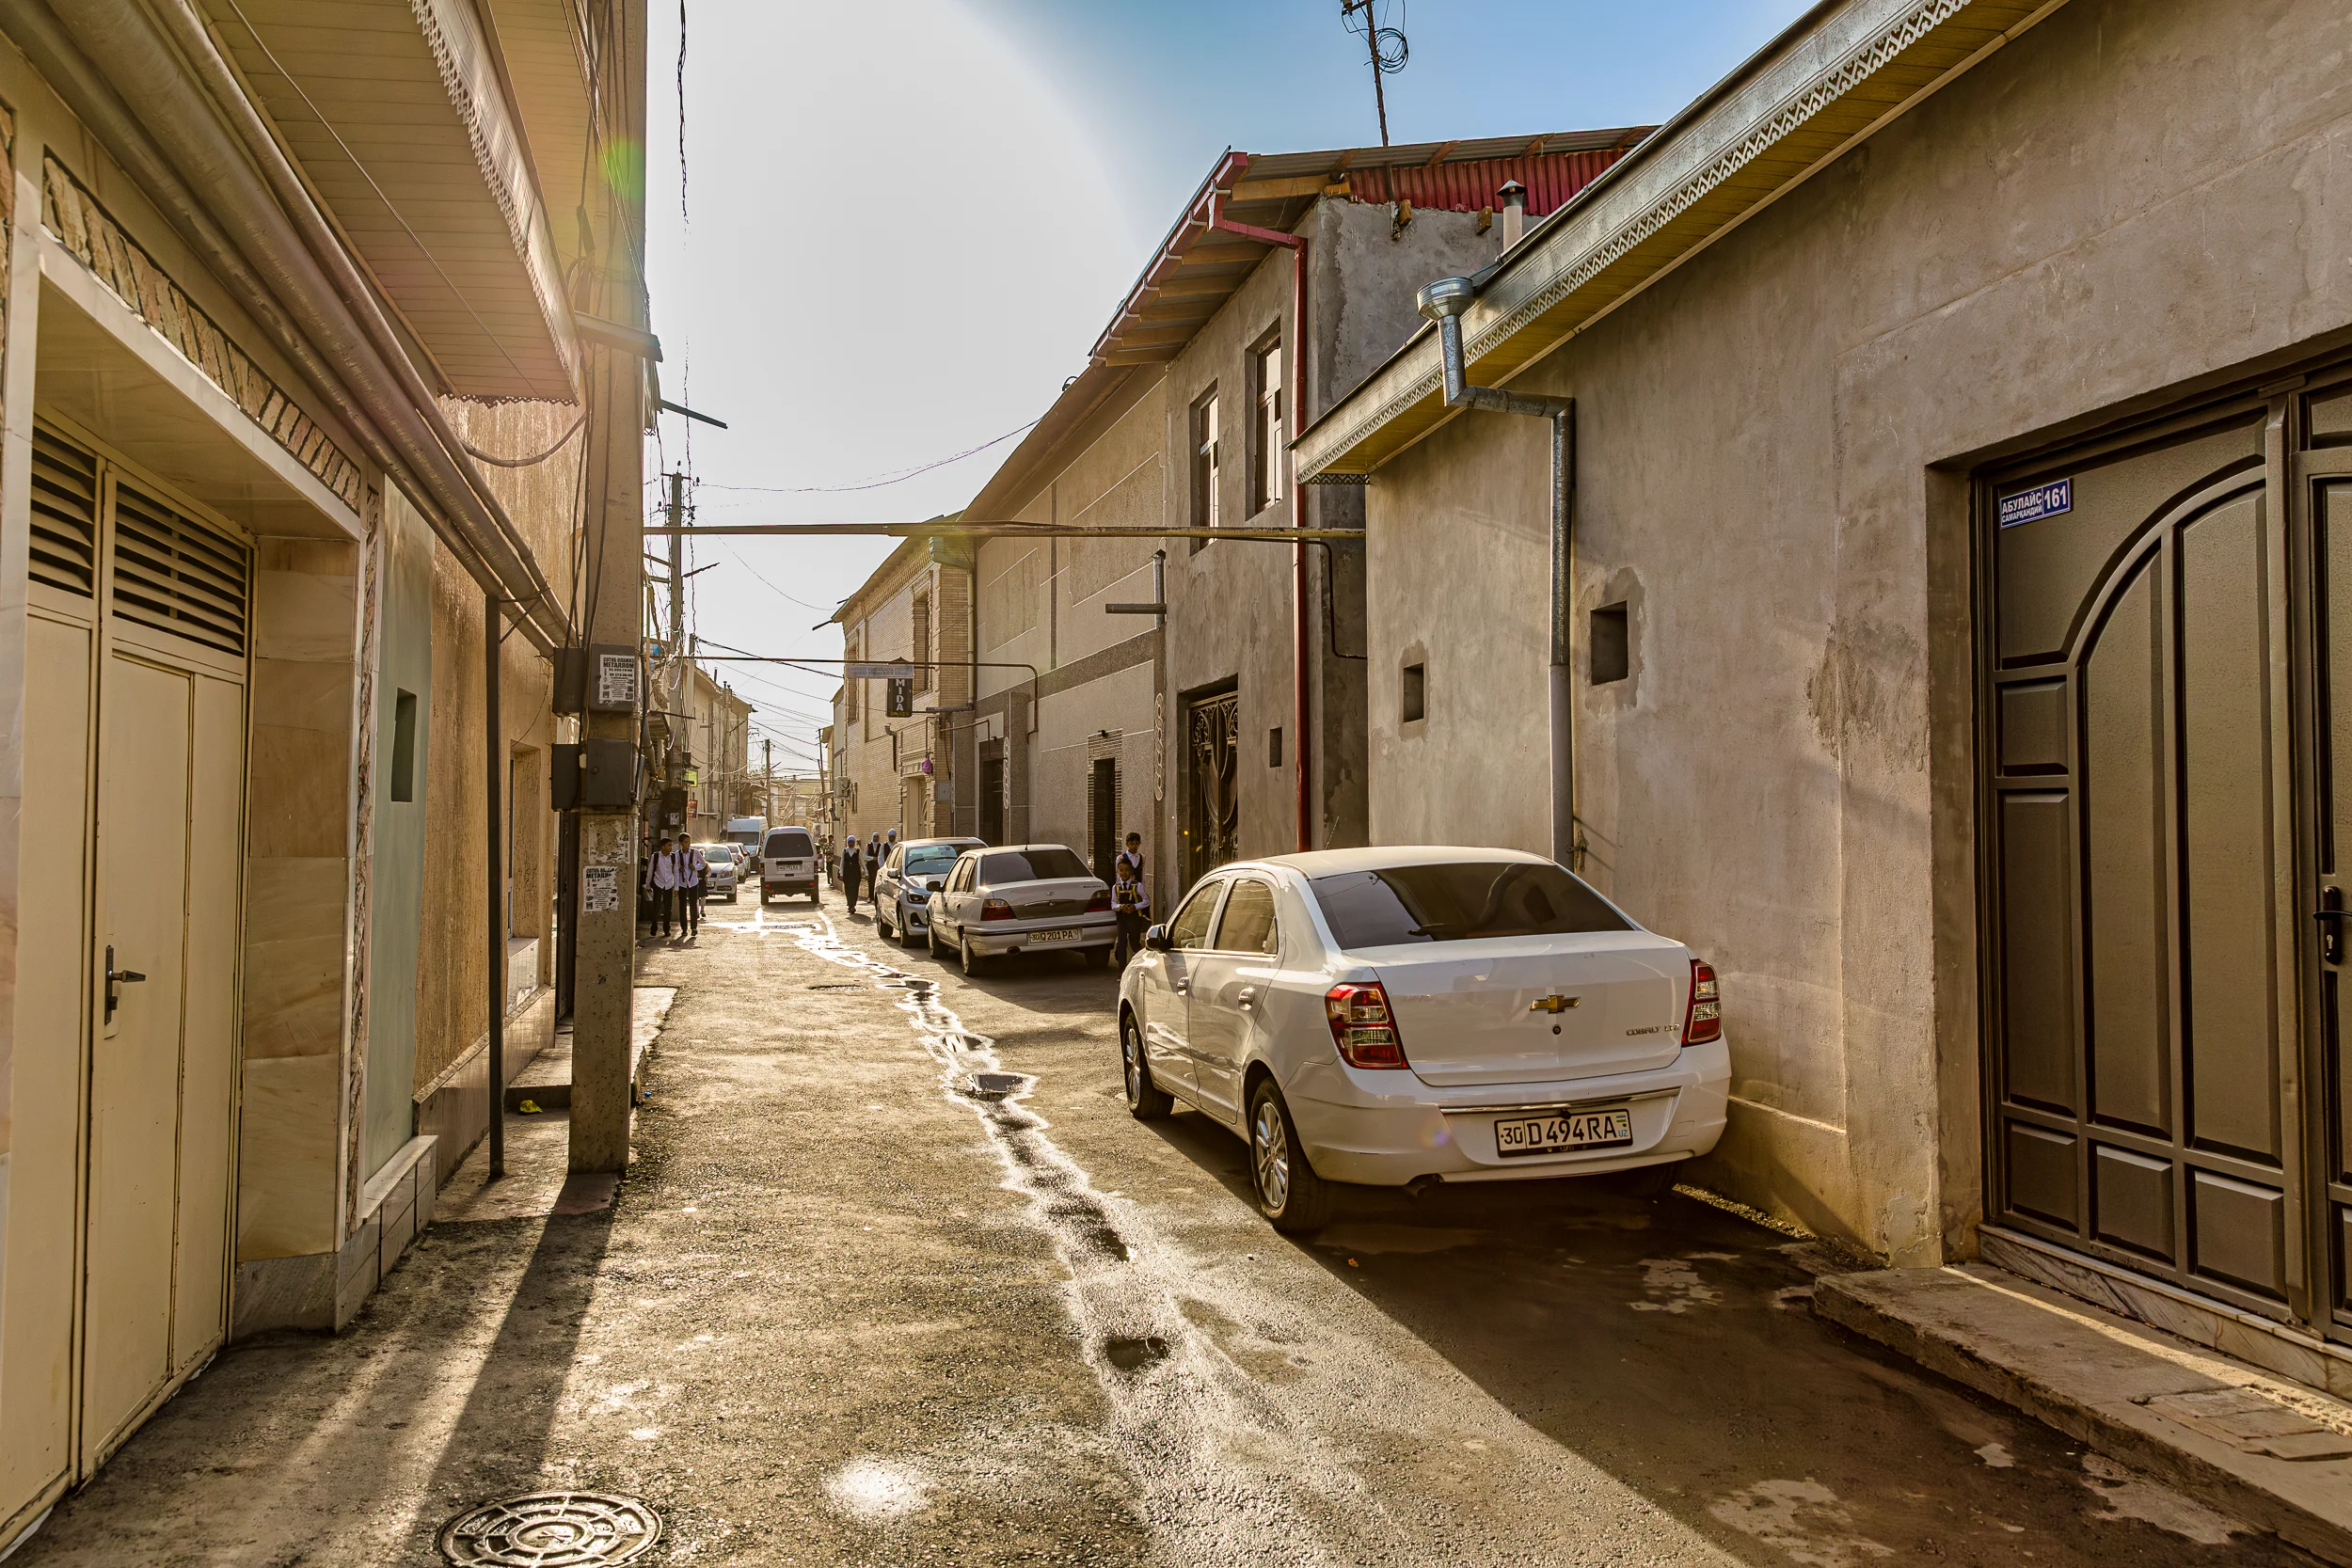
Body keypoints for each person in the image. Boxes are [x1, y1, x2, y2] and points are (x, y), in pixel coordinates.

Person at [1111, 831, 1151, 965]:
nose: (1134, 846)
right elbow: (1118, 876)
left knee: (1135, 936)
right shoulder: (1121, 858)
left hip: (1136, 894)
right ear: (1127, 844)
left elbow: (1143, 876)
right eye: (1131, 844)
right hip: (1124, 893)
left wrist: (1141, 890)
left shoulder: (1142, 858)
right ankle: (1121, 959)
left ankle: (1138, 960)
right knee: (1122, 936)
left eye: (1136, 844)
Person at [648, 834, 682, 938]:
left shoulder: (673, 857)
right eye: (668, 845)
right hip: (658, 883)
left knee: (668, 909)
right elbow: (650, 871)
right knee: (656, 907)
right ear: (663, 846)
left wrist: (676, 887)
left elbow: (676, 872)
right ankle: (654, 928)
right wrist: (648, 884)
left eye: (671, 845)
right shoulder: (656, 856)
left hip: (668, 884)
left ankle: (666, 929)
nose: (670, 847)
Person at [680, 840, 708, 937]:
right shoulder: (677, 854)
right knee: (682, 906)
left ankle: (694, 927)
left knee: (693, 904)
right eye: (686, 842)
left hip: (693, 882)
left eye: (689, 842)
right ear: (681, 843)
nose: (688, 844)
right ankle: (684, 928)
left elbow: (703, 863)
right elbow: (675, 869)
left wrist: (695, 867)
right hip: (682, 882)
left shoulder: (695, 852)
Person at [839, 832, 864, 912]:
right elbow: (842, 863)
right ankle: (849, 905)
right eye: (849, 842)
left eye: (852, 842)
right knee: (848, 889)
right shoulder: (845, 851)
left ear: (854, 842)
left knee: (855, 889)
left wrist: (866, 872)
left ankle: (853, 905)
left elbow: (862, 862)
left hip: (856, 874)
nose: (850, 844)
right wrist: (841, 873)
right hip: (847, 874)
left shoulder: (857, 851)